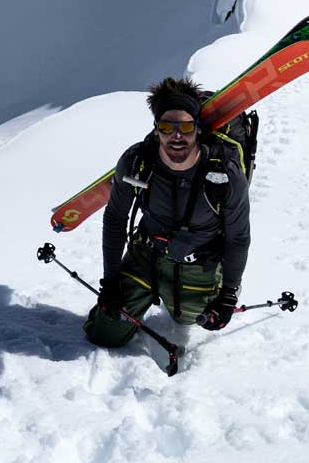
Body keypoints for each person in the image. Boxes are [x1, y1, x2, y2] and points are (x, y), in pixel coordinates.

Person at [83, 76, 253, 347]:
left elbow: (238, 237)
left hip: (198, 264)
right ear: (156, 130)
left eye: (185, 127)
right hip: (146, 256)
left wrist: (229, 294)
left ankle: (191, 297)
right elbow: (115, 218)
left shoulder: (225, 175)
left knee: (190, 321)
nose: (176, 136)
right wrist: (111, 282)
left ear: (197, 129)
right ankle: (138, 295)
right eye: (166, 126)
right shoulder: (137, 163)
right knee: (105, 334)